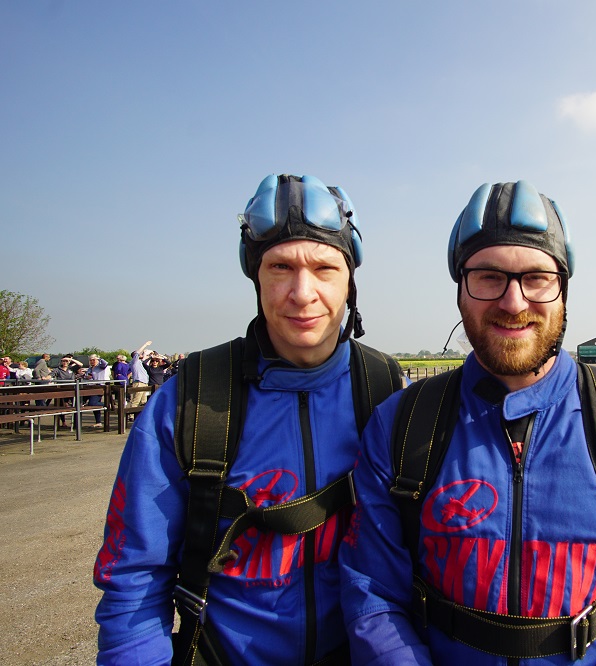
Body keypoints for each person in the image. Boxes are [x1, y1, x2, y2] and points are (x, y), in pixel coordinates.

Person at [340, 180, 596, 664]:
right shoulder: (402, 425)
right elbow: (373, 597)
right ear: (459, 292)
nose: (514, 302)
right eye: (488, 277)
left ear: (563, 290)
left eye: (537, 277)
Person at [93, 174, 401, 665]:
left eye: (324, 267)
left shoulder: (385, 389)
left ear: (350, 280)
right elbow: (133, 584)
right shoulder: (192, 402)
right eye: (280, 267)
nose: (302, 293)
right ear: (256, 276)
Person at [84, 354, 111, 427]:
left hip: (99, 387)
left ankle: (107, 405)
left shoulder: (100, 366)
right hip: (90, 387)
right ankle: (98, 422)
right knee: (81, 402)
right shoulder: (90, 368)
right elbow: (87, 376)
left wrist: (99, 358)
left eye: (93, 360)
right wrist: (86, 376)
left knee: (92, 403)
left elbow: (105, 363)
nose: (92, 361)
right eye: (90, 360)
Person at [128, 340, 152, 410]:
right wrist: (145, 344)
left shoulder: (140, 362)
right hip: (139, 382)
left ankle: (140, 415)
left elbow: (145, 357)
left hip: (144, 383)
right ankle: (131, 415)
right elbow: (138, 353)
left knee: (143, 401)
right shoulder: (134, 362)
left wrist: (148, 354)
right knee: (136, 400)